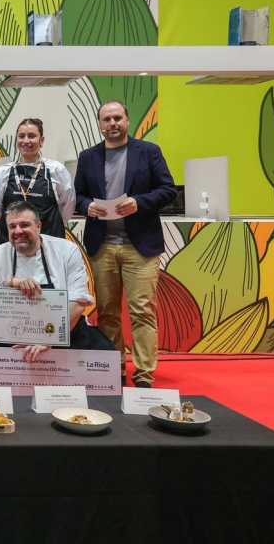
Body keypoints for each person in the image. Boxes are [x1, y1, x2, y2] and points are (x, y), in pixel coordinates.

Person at [74, 100, 177, 388]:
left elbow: (168, 190)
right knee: (107, 312)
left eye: (117, 118)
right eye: (106, 119)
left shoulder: (149, 151)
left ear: (128, 120)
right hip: (102, 246)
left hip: (140, 246)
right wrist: (86, 206)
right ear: (99, 124)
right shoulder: (88, 156)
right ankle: (113, 369)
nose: (112, 124)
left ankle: (143, 374)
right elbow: (77, 195)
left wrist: (139, 202)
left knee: (142, 311)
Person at [0, 201, 113, 360]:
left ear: (38, 227)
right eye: (12, 227)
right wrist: (10, 282)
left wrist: (49, 338)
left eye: (24, 225)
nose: (18, 231)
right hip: (13, 330)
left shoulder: (67, 250)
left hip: (60, 327)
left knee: (102, 349)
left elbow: (78, 301)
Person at [0, 117, 75, 244]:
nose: (26, 141)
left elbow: (67, 207)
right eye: (21, 136)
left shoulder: (56, 170)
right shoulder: (3, 172)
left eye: (31, 136)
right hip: (11, 242)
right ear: (16, 140)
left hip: (48, 241)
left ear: (41, 140)